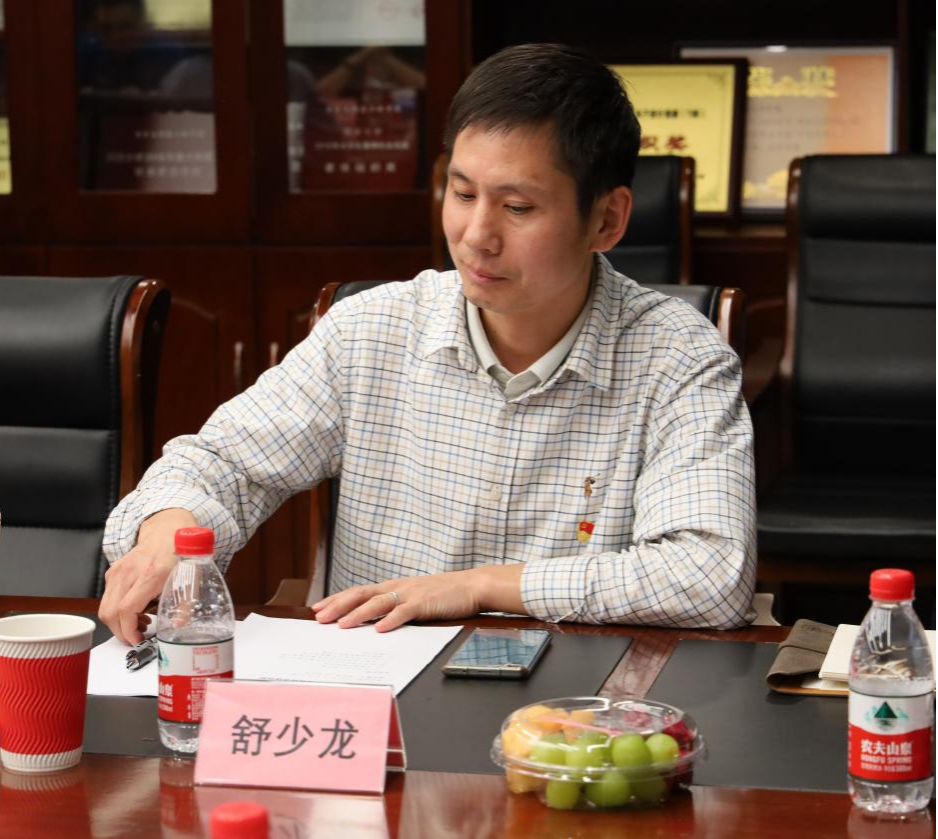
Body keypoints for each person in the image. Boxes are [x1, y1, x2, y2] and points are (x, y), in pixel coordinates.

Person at [100, 43, 756, 645]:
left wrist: (479, 586)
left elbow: (709, 572)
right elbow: (220, 463)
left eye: (518, 208)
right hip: (378, 699)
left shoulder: (677, 359)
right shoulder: (372, 331)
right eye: (462, 193)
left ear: (607, 219)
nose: (476, 235)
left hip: (574, 711)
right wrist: (167, 529)